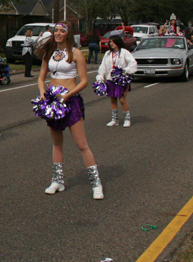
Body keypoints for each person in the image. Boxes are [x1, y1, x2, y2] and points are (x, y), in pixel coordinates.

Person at [37, 21, 103, 200]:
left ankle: (96, 183)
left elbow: (83, 81)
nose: (58, 33)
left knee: (82, 144)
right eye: (56, 31)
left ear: (68, 34)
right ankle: (58, 180)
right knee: (56, 143)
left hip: (70, 101)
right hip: (53, 103)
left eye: (62, 31)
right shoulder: (49, 53)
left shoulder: (75, 53)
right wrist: (43, 92)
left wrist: (67, 95)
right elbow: (41, 78)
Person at [97, 35, 137, 128]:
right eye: (110, 42)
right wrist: (101, 77)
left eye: (112, 42)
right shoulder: (107, 54)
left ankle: (127, 119)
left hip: (121, 80)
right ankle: (114, 119)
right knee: (113, 99)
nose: (111, 44)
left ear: (118, 42)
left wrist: (125, 71)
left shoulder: (125, 52)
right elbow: (103, 66)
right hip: (111, 80)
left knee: (122, 99)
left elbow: (133, 63)